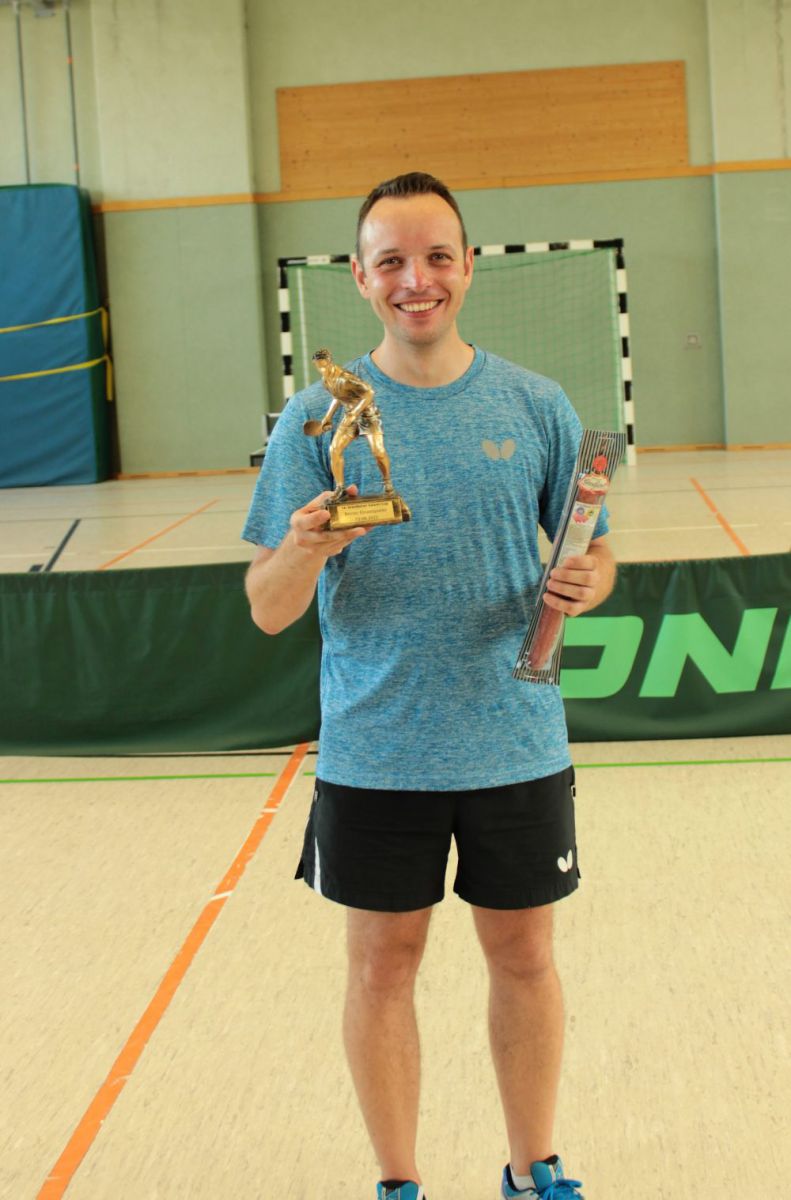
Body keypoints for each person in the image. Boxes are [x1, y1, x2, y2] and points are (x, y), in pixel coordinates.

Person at [243, 171, 616, 1200]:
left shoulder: (535, 405)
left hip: (513, 739)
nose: (418, 279)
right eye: (393, 262)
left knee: (525, 958)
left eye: (436, 256)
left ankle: (532, 1168)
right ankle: (398, 1181)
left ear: (467, 266)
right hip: (377, 749)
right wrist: (304, 548)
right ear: (360, 277)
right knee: (381, 966)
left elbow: (594, 551)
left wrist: (587, 582)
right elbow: (267, 607)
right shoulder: (315, 419)